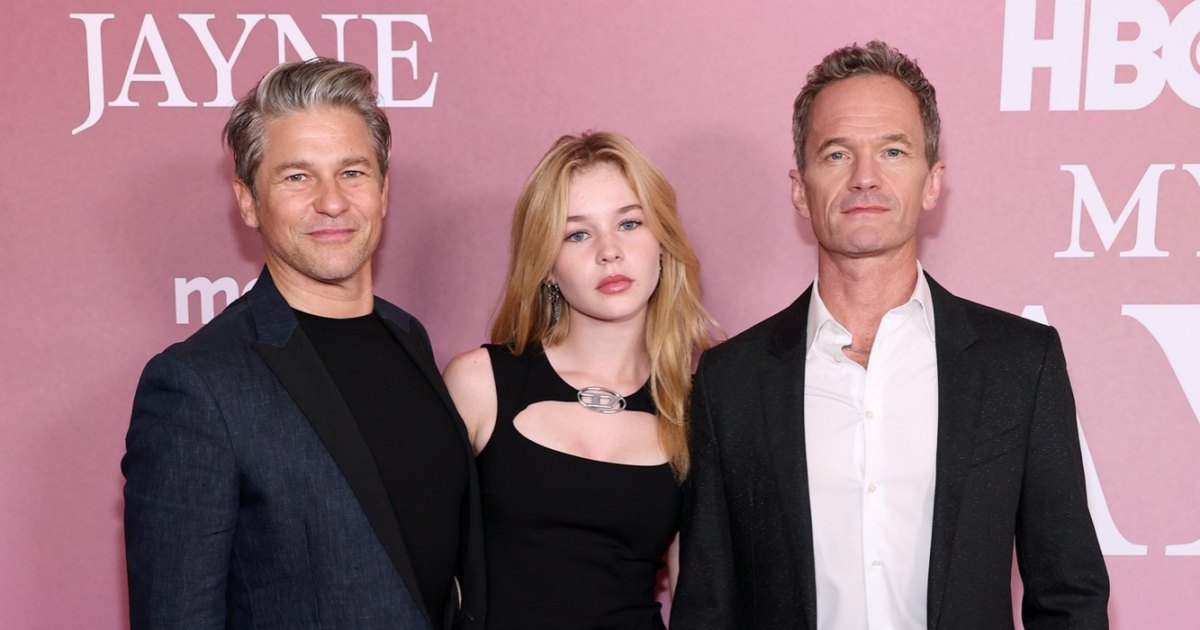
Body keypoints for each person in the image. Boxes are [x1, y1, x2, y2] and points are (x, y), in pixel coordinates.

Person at [671, 41, 1109, 630]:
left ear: (932, 182)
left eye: (893, 151)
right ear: (800, 189)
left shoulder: (1020, 365)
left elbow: (1070, 595)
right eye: (836, 154)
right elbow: (706, 606)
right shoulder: (730, 382)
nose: (865, 178)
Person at [122, 58, 484, 630]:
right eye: (297, 177)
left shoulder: (408, 336)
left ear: (383, 190)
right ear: (248, 201)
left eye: (352, 172)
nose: (332, 201)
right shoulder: (197, 386)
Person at [442, 132, 716, 629]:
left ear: (662, 242)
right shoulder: (480, 384)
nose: (610, 252)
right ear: (546, 265)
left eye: (629, 223)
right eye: (578, 235)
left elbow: (697, 597)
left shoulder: (696, 411)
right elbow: (427, 566)